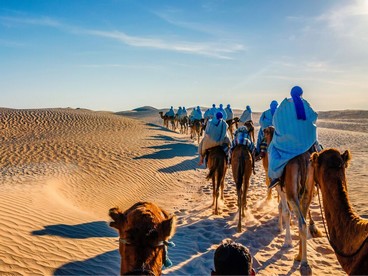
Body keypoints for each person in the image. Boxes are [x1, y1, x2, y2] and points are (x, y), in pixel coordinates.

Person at [268, 86, 320, 189]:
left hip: (286, 142)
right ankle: (318, 178)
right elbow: (314, 117)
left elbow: (275, 121)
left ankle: (276, 177)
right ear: (301, 94)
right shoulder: (304, 103)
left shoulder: (283, 105)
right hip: (305, 142)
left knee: (272, 149)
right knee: (318, 149)